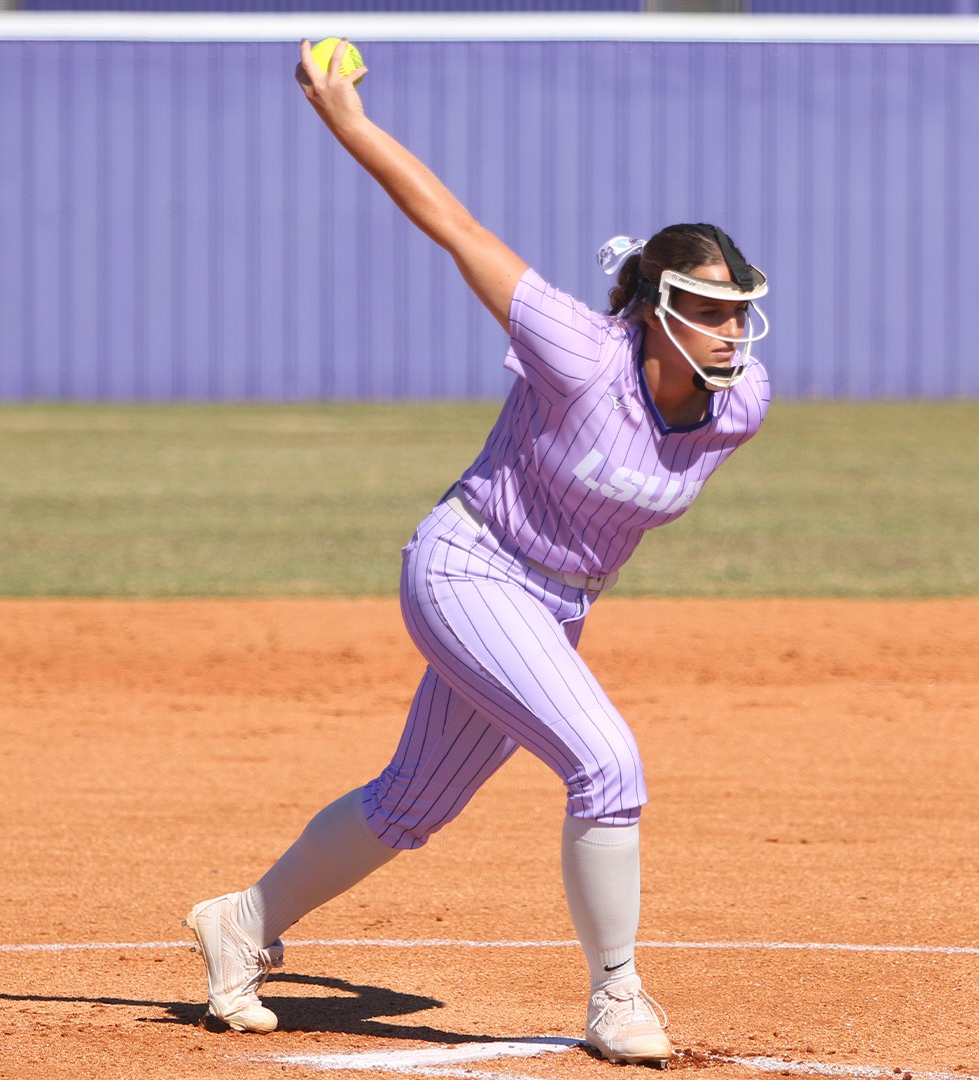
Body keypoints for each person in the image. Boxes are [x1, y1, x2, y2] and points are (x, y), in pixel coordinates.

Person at [184, 41, 772, 1067]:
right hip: (468, 567)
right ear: (652, 311)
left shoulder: (741, 407)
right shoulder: (579, 353)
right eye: (709, 311)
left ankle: (240, 920)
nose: (731, 331)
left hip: (558, 602)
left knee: (410, 805)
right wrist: (348, 121)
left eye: (739, 311)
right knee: (607, 765)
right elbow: (456, 228)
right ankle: (617, 995)